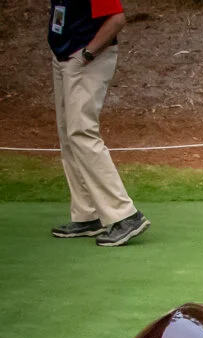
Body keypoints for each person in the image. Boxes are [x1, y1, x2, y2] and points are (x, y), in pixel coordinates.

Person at [48, 1, 149, 246]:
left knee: (82, 132)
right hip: (63, 56)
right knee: (68, 134)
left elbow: (116, 19)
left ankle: (125, 215)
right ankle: (87, 214)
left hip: (86, 57)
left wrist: (85, 55)